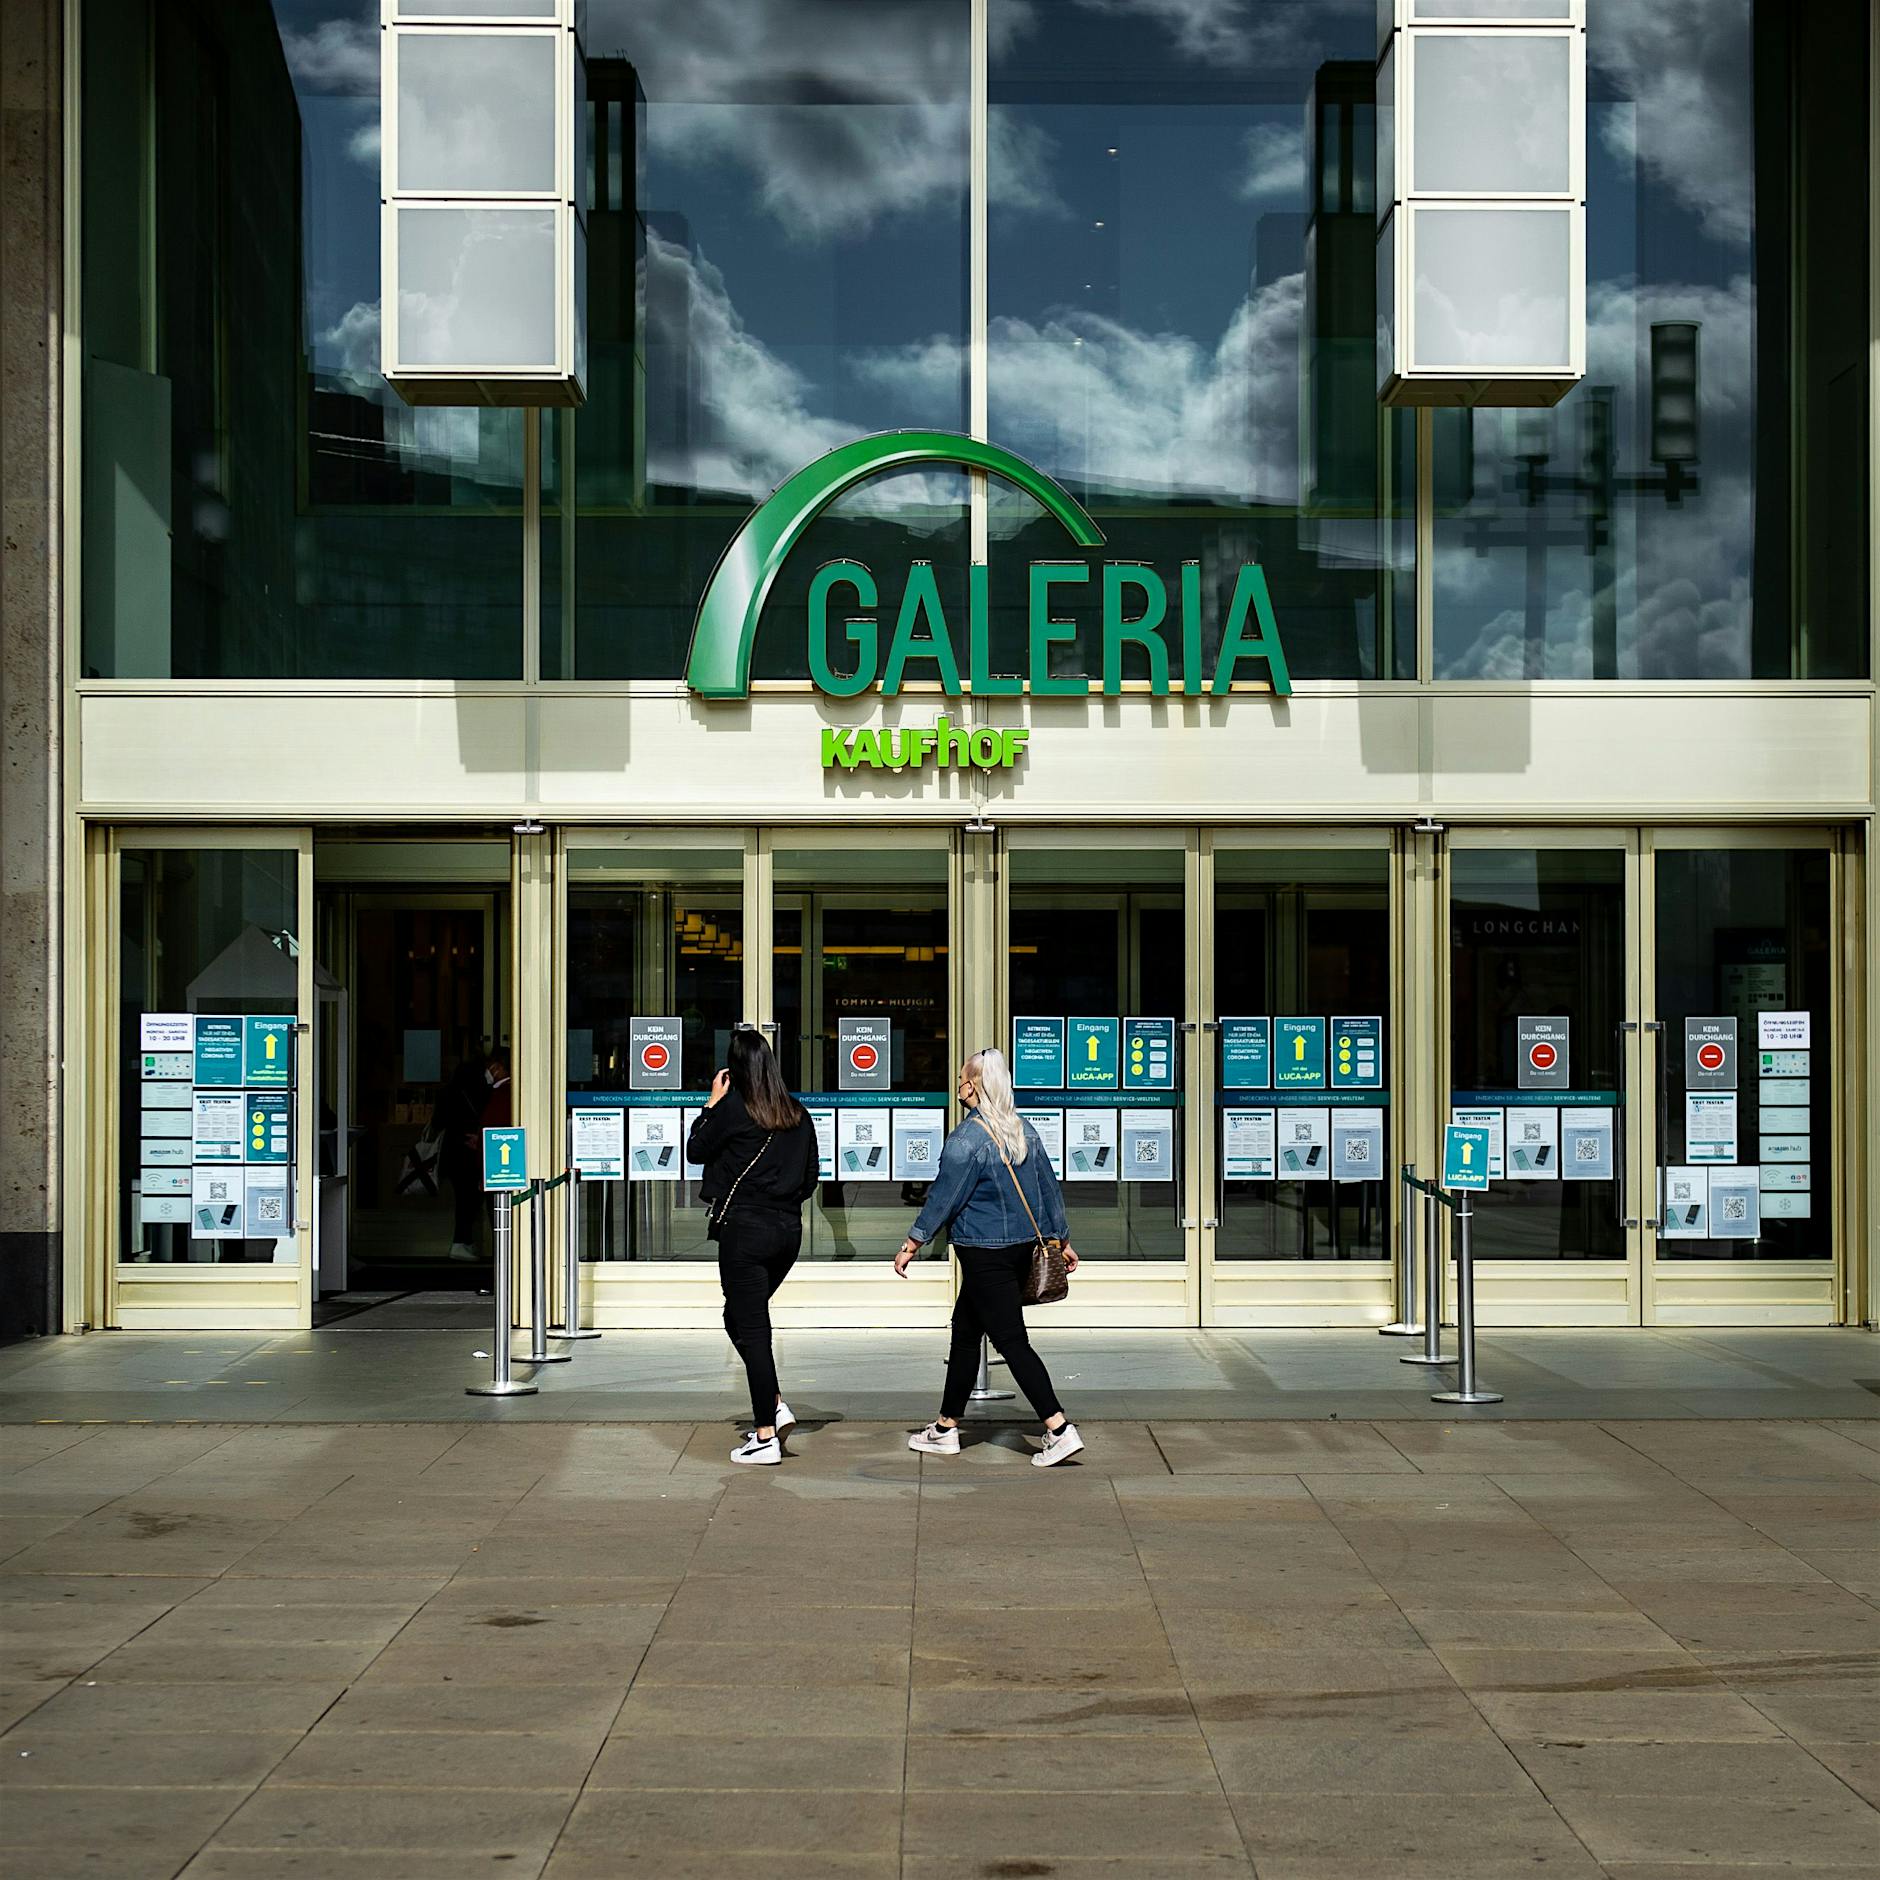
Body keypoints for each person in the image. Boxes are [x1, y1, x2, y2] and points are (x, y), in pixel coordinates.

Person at [894, 1048, 1084, 1467]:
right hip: (1019, 1249)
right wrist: (1062, 1238)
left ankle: (1058, 1428)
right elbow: (1049, 1189)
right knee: (965, 1332)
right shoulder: (1023, 1129)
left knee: (1011, 1341)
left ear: (976, 1085)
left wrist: (913, 1242)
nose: (959, 1086)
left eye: (963, 1079)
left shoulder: (967, 1140)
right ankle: (946, 1427)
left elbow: (944, 1198)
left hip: (984, 1254)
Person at [686, 1028, 821, 1465]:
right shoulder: (797, 1113)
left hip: (745, 1232)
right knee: (739, 1317)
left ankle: (765, 1435)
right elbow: (810, 1178)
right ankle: (774, 1404)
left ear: (735, 1069)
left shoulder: (733, 1109)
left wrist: (710, 1104)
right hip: (786, 1232)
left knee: (754, 1330)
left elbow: (695, 1150)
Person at [436, 1057, 487, 1262]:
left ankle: (464, 1242)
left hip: (452, 1153)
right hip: (471, 1153)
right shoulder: (479, 1092)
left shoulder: (447, 1093)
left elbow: (438, 1121)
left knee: (463, 1200)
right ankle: (461, 1242)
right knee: (470, 1201)